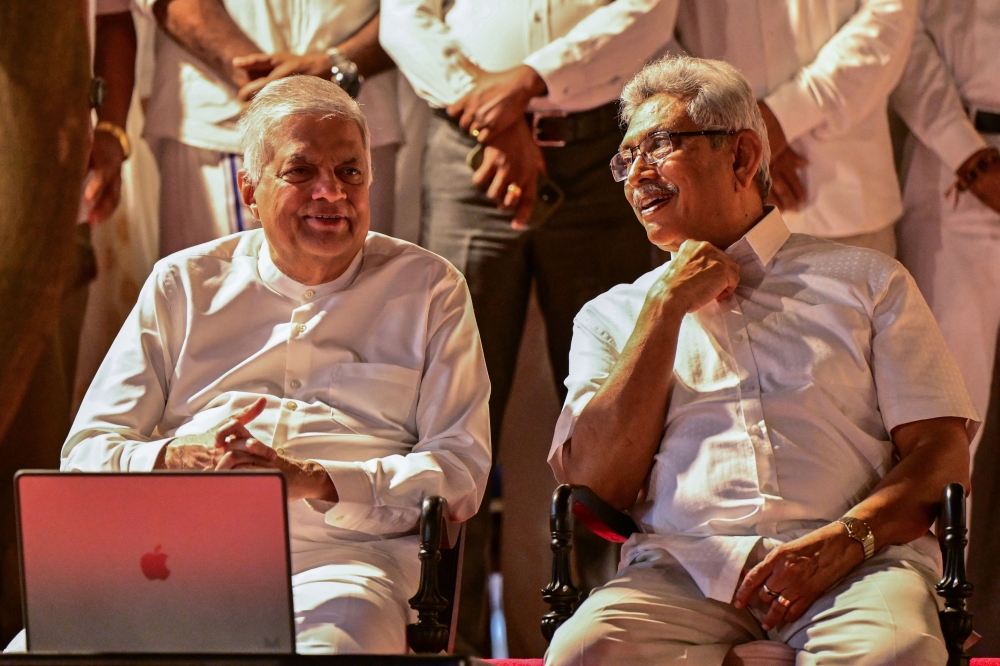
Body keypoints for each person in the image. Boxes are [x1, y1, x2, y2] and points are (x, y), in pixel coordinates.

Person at [6, 76, 491, 654]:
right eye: (301, 171)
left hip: (346, 567)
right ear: (250, 189)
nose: (331, 193)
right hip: (173, 560)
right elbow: (84, 453)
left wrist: (315, 479)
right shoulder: (183, 283)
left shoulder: (431, 289)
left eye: (350, 172)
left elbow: (460, 469)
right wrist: (174, 457)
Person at [544, 55, 977, 665]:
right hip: (681, 573)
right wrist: (666, 307)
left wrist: (844, 542)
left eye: (659, 145)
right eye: (626, 158)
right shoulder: (612, 315)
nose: (636, 173)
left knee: (896, 653)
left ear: (743, 157)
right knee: (584, 653)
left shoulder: (867, 280)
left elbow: (941, 452)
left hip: (855, 566)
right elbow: (596, 484)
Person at [379, 1, 675, 649]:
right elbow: (402, 17)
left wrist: (529, 81)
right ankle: (448, 637)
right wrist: (491, 112)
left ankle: (606, 639)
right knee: (450, 412)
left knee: (617, 409)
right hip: (468, 149)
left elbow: (650, 12)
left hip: (607, 150)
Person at [888, 0, 1000, 655]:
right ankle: (934, 625)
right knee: (950, 417)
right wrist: (969, 156)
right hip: (961, 162)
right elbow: (905, 37)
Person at [136, 0, 401, 256]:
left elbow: (416, 10)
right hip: (228, 119)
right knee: (224, 292)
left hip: (360, 112)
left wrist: (337, 63)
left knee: (360, 289)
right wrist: (265, 79)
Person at [667, 0, 917, 256]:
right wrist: (747, 132)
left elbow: (890, 13)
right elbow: (648, 37)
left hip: (843, 200)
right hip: (716, 201)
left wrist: (783, 117)